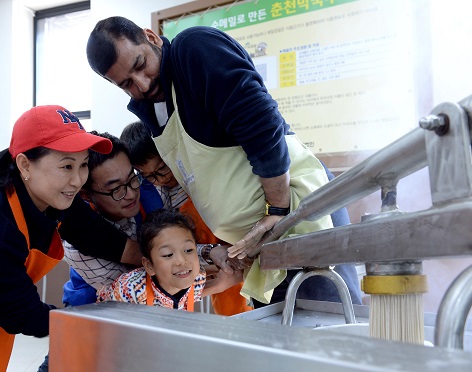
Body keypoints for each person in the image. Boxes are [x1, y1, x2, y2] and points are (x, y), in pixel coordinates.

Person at [86, 17, 362, 306]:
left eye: (141, 65)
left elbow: (260, 122)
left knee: (325, 322)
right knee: (282, 340)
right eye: (126, 84)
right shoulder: (153, 108)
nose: (141, 84)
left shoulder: (193, 49)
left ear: (151, 38)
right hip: (259, 242)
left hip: (293, 214)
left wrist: (278, 209)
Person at [0, 105, 142, 371]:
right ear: (24, 165)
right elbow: (21, 313)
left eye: (83, 165)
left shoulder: (53, 198)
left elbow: (96, 235)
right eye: (66, 166)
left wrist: (152, 260)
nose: (78, 180)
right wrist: (84, 325)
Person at [121, 121, 253, 315]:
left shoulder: (200, 176)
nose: (160, 180)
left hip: (244, 247)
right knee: (236, 321)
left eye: (162, 169)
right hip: (220, 267)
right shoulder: (162, 198)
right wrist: (211, 254)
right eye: (148, 176)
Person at [62, 131, 162, 306]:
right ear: (86, 195)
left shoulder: (149, 193)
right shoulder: (78, 246)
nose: (131, 194)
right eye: (116, 189)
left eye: (132, 178)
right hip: (96, 311)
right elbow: (135, 291)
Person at [98, 208, 242, 310]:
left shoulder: (197, 278)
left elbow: (186, 297)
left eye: (188, 250)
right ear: (149, 266)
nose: (181, 260)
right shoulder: (129, 290)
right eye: (168, 254)